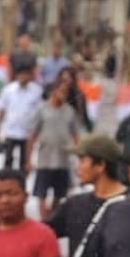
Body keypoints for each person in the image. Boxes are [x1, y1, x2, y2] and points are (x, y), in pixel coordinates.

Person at [28, 80, 80, 219]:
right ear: (53, 91)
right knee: (41, 194)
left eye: (66, 92)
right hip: (45, 159)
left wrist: (79, 158)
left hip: (63, 160)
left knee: (59, 194)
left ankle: (52, 219)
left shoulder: (69, 111)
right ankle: (44, 220)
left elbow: (76, 136)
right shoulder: (41, 109)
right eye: (61, 91)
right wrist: (28, 159)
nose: (64, 95)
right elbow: (32, 135)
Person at [0, 62, 43, 172]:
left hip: (27, 132)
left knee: (24, 162)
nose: (23, 77)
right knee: (8, 160)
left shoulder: (36, 91)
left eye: (26, 74)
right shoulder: (8, 90)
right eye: (21, 74)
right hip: (11, 131)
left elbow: (40, 113)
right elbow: (1, 110)